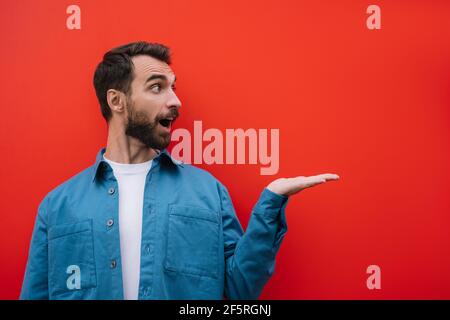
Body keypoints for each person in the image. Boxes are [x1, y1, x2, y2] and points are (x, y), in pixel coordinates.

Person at [20, 41, 339, 300]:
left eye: (173, 87)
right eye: (157, 87)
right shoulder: (57, 206)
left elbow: (238, 293)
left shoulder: (207, 191)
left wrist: (270, 203)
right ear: (117, 101)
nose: (176, 101)